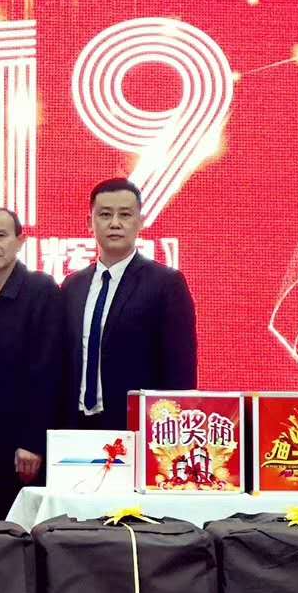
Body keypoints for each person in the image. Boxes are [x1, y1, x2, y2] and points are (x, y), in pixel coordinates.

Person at [63, 178, 198, 431]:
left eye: (125, 214)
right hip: (75, 427)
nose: (115, 223)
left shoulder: (166, 283)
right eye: (105, 214)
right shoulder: (72, 286)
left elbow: (180, 370)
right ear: (90, 222)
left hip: (137, 427)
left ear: (140, 221)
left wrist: (172, 430)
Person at [0, 206, 71, 519]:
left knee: (35, 531)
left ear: (20, 241)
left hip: (27, 449)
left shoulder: (41, 290)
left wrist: (32, 441)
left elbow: (48, 368)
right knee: (4, 531)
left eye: (1, 235)